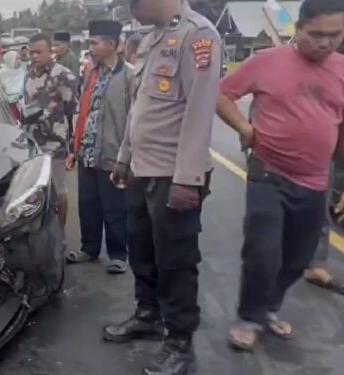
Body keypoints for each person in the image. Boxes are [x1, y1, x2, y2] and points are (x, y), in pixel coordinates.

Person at [218, 0, 344, 350]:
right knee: (262, 252)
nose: (326, 42)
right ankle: (251, 316)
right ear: (298, 29)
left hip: (316, 181)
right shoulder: (267, 61)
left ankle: (269, 307)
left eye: (335, 35)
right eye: (316, 34)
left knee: (298, 259)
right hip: (267, 173)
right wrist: (244, 126)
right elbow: (223, 94)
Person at [107, 0, 221, 373]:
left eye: (133, 2)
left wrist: (187, 181)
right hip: (142, 169)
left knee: (176, 262)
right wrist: (124, 157)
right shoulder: (151, 38)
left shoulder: (198, 35)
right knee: (141, 250)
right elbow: (140, 107)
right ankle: (147, 315)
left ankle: (179, 341)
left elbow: (200, 113)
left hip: (174, 175)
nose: (130, 9)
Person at [65, 20, 132, 274]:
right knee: (88, 205)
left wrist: (128, 157)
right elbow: (83, 111)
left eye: (95, 43)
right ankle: (89, 247)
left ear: (113, 44)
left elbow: (134, 118)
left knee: (115, 207)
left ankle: (118, 254)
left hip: (114, 154)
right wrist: (75, 147)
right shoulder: (91, 73)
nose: (90, 47)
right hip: (87, 152)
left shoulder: (129, 76)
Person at [24, 33, 77, 231]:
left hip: (55, 142)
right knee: (36, 192)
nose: (34, 56)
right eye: (31, 52)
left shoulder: (63, 75)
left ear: (50, 51)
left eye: (39, 52)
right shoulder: (28, 75)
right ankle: (40, 234)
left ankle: (60, 235)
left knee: (58, 191)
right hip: (33, 142)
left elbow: (73, 109)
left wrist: (72, 145)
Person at [0, 51, 25, 121]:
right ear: (10, 59)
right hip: (7, 104)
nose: (19, 61)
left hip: (20, 103)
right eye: (17, 59)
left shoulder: (20, 72)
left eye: (20, 58)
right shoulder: (2, 72)